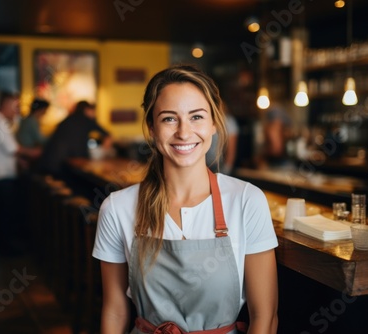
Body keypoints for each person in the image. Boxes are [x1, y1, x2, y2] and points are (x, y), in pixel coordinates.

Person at [92, 65, 278, 333]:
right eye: (169, 119)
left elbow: (265, 317)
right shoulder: (117, 208)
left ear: (214, 124)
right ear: (152, 128)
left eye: (197, 117)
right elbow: (114, 310)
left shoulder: (247, 201)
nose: (184, 132)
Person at [0, 91, 41, 255]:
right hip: (1, 174)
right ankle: (6, 248)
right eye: (15, 106)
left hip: (0, 173)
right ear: (6, 105)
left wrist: (19, 159)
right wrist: (36, 152)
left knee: (4, 211)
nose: (17, 110)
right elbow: (14, 148)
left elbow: (9, 150)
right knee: (5, 212)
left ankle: (4, 245)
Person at [38, 100, 112, 177]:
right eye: (93, 110)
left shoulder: (67, 120)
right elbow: (108, 136)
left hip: (50, 161)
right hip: (68, 164)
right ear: (87, 109)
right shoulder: (87, 120)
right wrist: (102, 152)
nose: (94, 114)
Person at [16, 98, 50, 172]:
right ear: (41, 110)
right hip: (27, 152)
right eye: (45, 110)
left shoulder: (26, 119)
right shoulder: (32, 121)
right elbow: (40, 139)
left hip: (24, 151)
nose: (45, 113)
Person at [206, 101, 239, 174]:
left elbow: (231, 149)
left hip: (218, 165)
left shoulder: (229, 122)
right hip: (202, 164)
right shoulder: (206, 120)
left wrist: (226, 169)